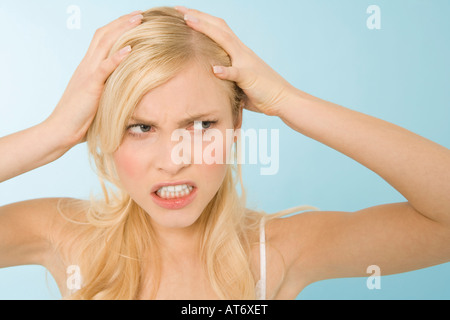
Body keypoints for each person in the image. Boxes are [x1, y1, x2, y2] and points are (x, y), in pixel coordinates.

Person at [0, 6, 449, 300]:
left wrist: (288, 102)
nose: (173, 159)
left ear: (237, 126)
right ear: (105, 133)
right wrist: (52, 133)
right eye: (140, 127)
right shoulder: (69, 237)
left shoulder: (275, 252)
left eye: (200, 126)